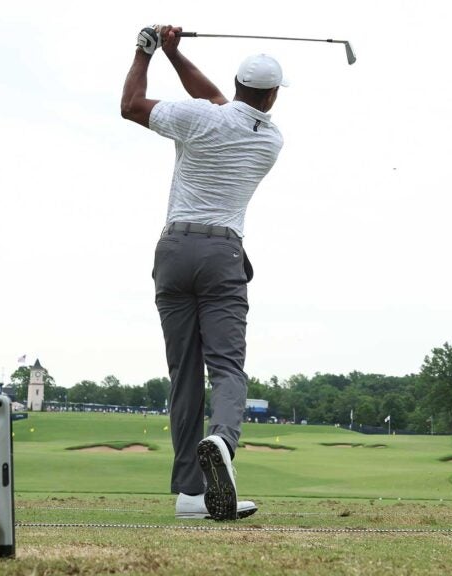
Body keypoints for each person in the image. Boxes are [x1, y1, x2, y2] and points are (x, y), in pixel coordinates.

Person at [120, 24, 286, 521]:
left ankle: (192, 494)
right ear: (272, 96)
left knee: (184, 374)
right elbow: (218, 100)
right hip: (222, 255)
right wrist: (174, 52)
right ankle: (223, 444)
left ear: (236, 85)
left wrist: (146, 52)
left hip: (173, 250)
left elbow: (131, 104)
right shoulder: (270, 139)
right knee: (227, 367)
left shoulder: (197, 118)